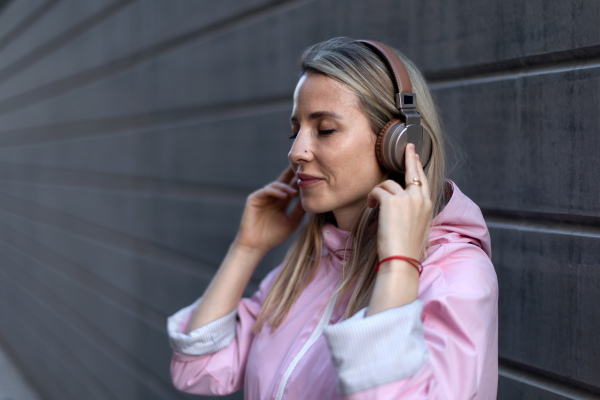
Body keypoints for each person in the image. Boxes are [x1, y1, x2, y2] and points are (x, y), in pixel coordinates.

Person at [167, 37, 498, 399]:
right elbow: (199, 369)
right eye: (296, 130)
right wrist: (246, 247)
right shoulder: (311, 267)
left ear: (401, 142)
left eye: (324, 129)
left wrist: (398, 266)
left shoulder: (456, 277)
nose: (295, 152)